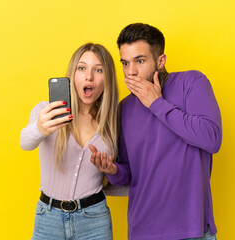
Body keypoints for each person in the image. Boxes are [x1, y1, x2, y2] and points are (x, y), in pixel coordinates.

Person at [89, 23, 222, 239]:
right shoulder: (125, 108)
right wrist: (112, 171)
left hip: (192, 230)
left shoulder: (192, 83)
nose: (131, 71)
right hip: (142, 231)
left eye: (139, 61)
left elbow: (212, 138)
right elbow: (128, 174)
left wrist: (156, 103)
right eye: (125, 63)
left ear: (160, 61)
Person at [20, 43, 119, 240]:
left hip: (95, 220)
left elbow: (125, 181)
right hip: (48, 219)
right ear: (72, 74)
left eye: (98, 70)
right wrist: (39, 128)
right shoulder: (46, 111)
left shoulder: (112, 125)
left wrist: (112, 172)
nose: (89, 76)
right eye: (82, 68)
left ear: (107, 79)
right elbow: (25, 143)